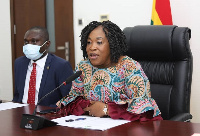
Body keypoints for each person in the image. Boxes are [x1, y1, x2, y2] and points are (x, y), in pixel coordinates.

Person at [56, 21, 162, 121]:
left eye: (99, 42)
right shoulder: (84, 67)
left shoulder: (129, 67)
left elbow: (142, 108)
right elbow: (74, 98)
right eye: (89, 42)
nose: (92, 47)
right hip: (93, 126)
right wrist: (87, 106)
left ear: (112, 45)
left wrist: (106, 109)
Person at [13, 26, 74, 107]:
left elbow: (68, 98)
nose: (29, 45)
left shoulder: (61, 65)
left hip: (47, 113)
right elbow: (17, 95)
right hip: (21, 111)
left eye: (34, 41)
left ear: (47, 44)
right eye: (26, 42)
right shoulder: (19, 63)